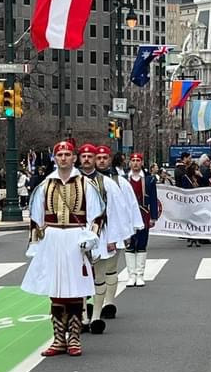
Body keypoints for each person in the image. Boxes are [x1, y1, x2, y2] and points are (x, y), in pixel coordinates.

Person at [22, 141, 104, 357]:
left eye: (68, 154)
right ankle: (59, 338)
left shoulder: (87, 185)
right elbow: (36, 217)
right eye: (60, 155)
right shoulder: (45, 185)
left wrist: (91, 239)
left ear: (74, 158)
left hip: (76, 240)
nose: (64, 158)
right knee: (56, 291)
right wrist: (36, 244)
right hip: (53, 239)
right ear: (55, 158)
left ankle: (74, 337)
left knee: (76, 290)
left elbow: (96, 215)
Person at [78, 144, 133, 334]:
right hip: (77, 236)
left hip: (101, 235)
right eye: (83, 156)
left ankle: (97, 316)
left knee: (101, 274)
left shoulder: (109, 183)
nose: (87, 159)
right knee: (80, 277)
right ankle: (83, 316)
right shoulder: (72, 181)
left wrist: (116, 237)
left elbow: (118, 211)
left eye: (90, 156)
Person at [124, 153, 159, 287]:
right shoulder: (124, 179)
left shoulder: (149, 180)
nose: (135, 163)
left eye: (138, 160)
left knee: (142, 244)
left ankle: (140, 275)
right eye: (133, 160)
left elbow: (153, 199)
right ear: (129, 163)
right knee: (130, 244)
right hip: (128, 216)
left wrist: (153, 217)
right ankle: (131, 275)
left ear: (142, 163)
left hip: (143, 214)